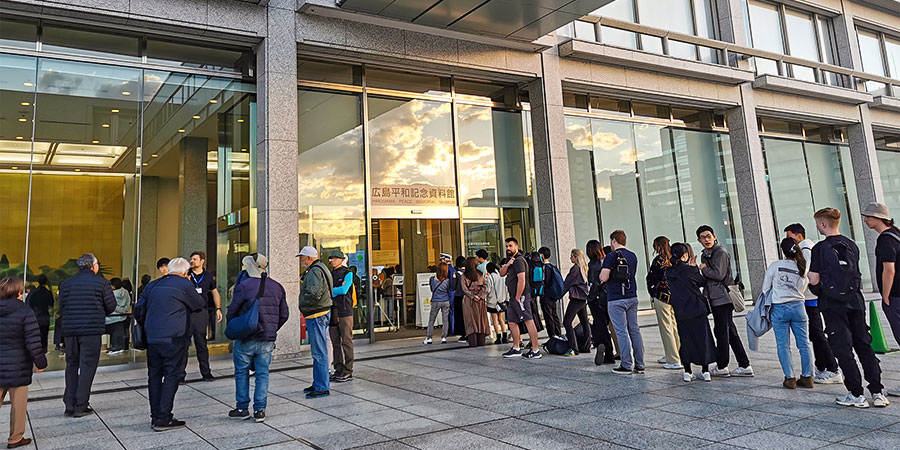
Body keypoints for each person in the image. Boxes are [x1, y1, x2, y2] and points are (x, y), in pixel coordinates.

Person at [808, 207, 889, 408]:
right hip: (855, 301)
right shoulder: (851, 244)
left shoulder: (820, 248)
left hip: (832, 303)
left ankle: (856, 393)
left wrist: (819, 290)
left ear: (823, 224)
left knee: (842, 347)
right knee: (863, 344)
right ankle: (877, 392)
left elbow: (814, 278)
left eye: (818, 223)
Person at [133, 257, 206, 431]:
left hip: (152, 337)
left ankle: (155, 415)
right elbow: (199, 304)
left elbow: (138, 309)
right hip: (175, 337)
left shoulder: (152, 285)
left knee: (154, 376)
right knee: (172, 375)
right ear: (186, 272)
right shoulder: (185, 284)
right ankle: (164, 417)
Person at [227, 254, 288, 423]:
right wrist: (272, 328)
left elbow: (232, 311)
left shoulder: (244, 286)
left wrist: (234, 326)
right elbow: (285, 314)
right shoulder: (277, 287)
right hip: (267, 339)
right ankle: (260, 410)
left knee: (241, 372)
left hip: (247, 337)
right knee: (263, 374)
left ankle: (242, 408)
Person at [58, 253, 116, 417]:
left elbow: (62, 306)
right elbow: (111, 306)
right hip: (91, 330)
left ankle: (69, 403)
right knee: (87, 367)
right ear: (94, 266)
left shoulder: (67, 284)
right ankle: (81, 405)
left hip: (70, 331)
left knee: (71, 365)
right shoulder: (102, 283)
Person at [784, 223, 842, 385]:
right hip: (809, 297)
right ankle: (822, 366)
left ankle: (832, 368)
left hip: (810, 297)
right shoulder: (807, 248)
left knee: (816, 333)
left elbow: (806, 274)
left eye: (790, 237)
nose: (788, 241)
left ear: (798, 236)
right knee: (814, 333)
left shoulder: (806, 250)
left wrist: (796, 292)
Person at [697, 225, 753, 378]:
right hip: (715, 297)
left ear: (714, 236)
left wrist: (703, 269)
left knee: (722, 332)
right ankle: (744, 364)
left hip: (723, 297)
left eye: (709, 236)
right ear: (699, 240)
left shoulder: (720, 252)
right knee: (730, 331)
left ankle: (722, 365)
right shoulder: (706, 254)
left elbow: (719, 274)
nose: (707, 239)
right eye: (703, 237)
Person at [0, 277, 48, 448]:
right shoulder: (25, 312)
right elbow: (33, 342)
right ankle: (15, 438)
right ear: (19, 293)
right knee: (18, 405)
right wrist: (41, 363)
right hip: (18, 366)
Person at [763, 237, 814, 389]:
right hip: (799, 307)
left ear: (782, 250)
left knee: (783, 345)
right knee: (804, 344)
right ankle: (807, 377)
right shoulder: (802, 266)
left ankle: (790, 378)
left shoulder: (775, 266)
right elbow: (803, 288)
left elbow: (765, 288)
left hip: (779, 308)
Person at [861, 202, 900, 398]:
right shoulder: (897, 234)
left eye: (868, 216)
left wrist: (885, 295)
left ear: (878, 218)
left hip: (896, 296)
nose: (866, 220)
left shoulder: (885, 240)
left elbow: (889, 270)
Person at [666, 244, 716, 382]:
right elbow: (701, 282)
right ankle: (705, 371)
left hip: (680, 311)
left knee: (686, 340)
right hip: (697, 309)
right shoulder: (689, 270)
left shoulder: (668, 272)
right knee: (703, 339)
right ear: (684, 255)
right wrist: (694, 268)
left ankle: (687, 371)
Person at [600, 230, 644, 374]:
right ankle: (640, 364)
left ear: (613, 241)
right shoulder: (633, 256)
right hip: (632, 296)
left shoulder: (611, 256)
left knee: (621, 331)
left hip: (616, 298)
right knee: (635, 330)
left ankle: (626, 364)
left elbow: (604, 277)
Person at [297, 246, 333, 399]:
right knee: (319, 350)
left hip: (316, 314)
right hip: (320, 313)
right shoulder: (321, 268)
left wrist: (302, 302)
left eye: (302, 258)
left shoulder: (314, 271)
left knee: (319, 352)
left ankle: (322, 386)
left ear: (309, 258)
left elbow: (314, 293)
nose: (300, 261)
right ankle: (318, 382)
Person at [500, 237, 542, 359]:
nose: (508, 248)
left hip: (521, 296)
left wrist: (518, 297)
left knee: (528, 320)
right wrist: (508, 264)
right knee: (512, 321)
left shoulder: (519, 260)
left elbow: (522, 280)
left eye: (510, 246)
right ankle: (516, 347)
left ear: (516, 247)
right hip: (513, 297)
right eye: (506, 246)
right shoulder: (511, 260)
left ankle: (535, 350)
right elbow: (501, 273)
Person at [647, 237, 682, 370]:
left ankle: (673, 359)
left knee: (666, 328)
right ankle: (676, 354)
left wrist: (652, 290)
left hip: (661, 296)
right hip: (674, 296)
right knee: (673, 326)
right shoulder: (674, 259)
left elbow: (653, 278)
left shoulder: (659, 261)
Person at [187, 251, 222, 381]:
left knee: (201, 344)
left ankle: (206, 373)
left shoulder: (208, 276)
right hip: (187, 313)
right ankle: (179, 375)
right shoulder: (186, 274)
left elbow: (215, 292)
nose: (192, 261)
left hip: (201, 313)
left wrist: (218, 308)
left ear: (202, 261)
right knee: (184, 345)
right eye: (191, 259)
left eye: (195, 259)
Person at [328, 250, 355, 383]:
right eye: (331, 259)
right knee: (335, 342)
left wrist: (332, 290)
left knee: (346, 341)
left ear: (340, 259)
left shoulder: (348, 273)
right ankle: (338, 369)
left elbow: (344, 290)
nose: (332, 261)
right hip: (333, 310)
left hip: (345, 311)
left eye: (334, 258)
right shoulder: (330, 274)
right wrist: (335, 290)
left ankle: (348, 370)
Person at [586, 240, 615, 364]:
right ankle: (607, 350)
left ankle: (604, 348)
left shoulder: (593, 265)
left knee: (600, 326)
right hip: (608, 298)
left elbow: (593, 284)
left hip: (596, 299)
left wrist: (590, 297)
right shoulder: (607, 261)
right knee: (604, 325)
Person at [562, 249, 591, 357]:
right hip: (583, 299)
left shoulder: (575, 269)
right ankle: (586, 346)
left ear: (575, 257)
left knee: (567, 322)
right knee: (584, 322)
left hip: (576, 298)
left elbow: (566, 284)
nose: (570, 258)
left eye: (571, 256)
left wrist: (556, 296)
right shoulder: (584, 268)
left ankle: (573, 348)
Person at [461, 256, 490, 347]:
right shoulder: (480, 274)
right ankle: (481, 340)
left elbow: (464, 289)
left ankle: (472, 341)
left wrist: (473, 296)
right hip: (480, 301)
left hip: (469, 300)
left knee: (470, 320)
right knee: (481, 320)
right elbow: (485, 286)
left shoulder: (464, 275)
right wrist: (480, 296)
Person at [537, 247, 563, 339]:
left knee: (548, 316)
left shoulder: (543, 268)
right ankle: (558, 333)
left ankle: (552, 336)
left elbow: (544, 282)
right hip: (553, 295)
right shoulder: (552, 266)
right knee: (554, 314)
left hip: (546, 295)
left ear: (542, 256)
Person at [425, 262, 452, 344]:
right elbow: (448, 290)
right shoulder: (447, 281)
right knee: (445, 320)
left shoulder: (432, 279)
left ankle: (429, 338)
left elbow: (432, 289)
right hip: (445, 301)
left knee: (431, 320)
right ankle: (444, 337)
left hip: (435, 301)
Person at [27, 274, 53, 354]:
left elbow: (28, 303)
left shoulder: (33, 292)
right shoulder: (48, 293)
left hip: (35, 316)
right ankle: (44, 350)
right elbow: (51, 303)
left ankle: (35, 350)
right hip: (45, 316)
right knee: (44, 335)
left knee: (35, 335)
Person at [485, 262, 509, 344]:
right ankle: (505, 336)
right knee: (501, 319)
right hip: (501, 300)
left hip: (493, 301)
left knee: (494, 319)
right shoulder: (502, 275)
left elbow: (488, 289)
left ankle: (498, 336)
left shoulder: (490, 276)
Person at [105, 278, 130, 355]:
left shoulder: (111, 294)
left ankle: (114, 348)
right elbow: (128, 304)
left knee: (113, 334)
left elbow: (109, 305)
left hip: (111, 317)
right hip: (122, 317)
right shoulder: (126, 292)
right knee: (119, 333)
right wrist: (123, 310)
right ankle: (120, 347)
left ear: (114, 286)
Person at [453, 255, 467, 341]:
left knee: (460, 315)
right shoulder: (468, 272)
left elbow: (453, 286)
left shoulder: (456, 274)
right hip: (467, 296)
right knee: (467, 315)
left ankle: (463, 333)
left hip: (458, 296)